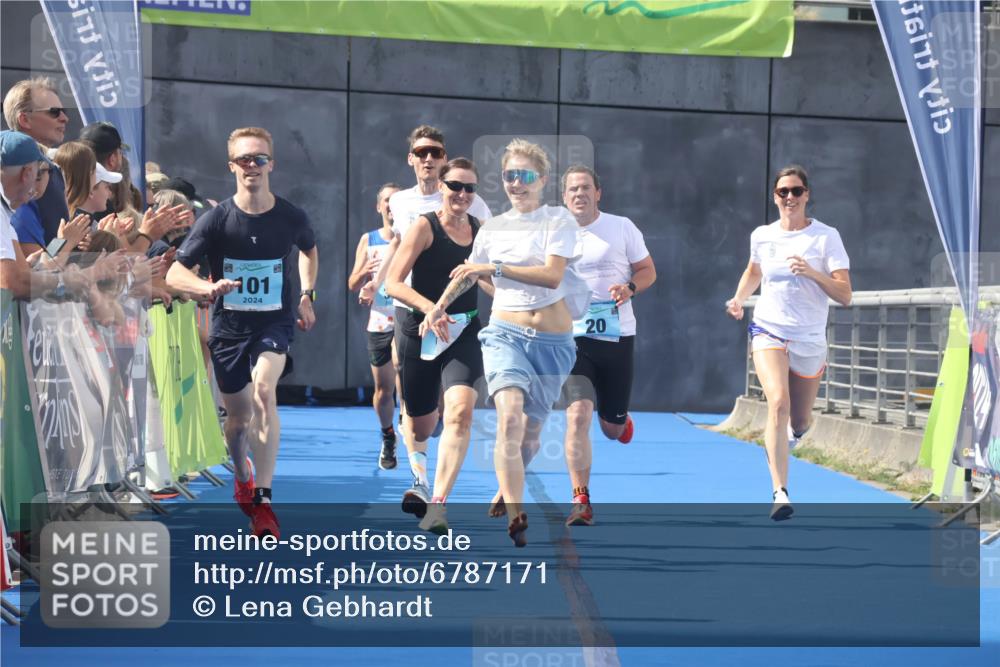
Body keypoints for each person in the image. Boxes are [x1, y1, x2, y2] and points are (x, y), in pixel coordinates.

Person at [429, 139, 589, 546]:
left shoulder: (558, 221)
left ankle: (507, 483)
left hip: (553, 343)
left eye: (525, 175)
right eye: (509, 176)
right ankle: (517, 510)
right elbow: (468, 274)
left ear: (543, 180)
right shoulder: (494, 228)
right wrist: (438, 307)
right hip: (505, 333)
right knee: (510, 415)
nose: (516, 183)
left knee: (531, 434)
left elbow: (552, 276)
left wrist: (494, 267)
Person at [167, 126, 318, 539]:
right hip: (229, 329)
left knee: (264, 393)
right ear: (232, 166)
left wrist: (307, 294)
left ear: (272, 164)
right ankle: (242, 474)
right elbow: (177, 272)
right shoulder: (215, 220)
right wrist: (206, 288)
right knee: (237, 421)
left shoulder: (290, 216)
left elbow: (309, 249)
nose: (253, 166)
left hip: (274, 322)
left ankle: (265, 502)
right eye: (244, 160)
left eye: (260, 159)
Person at [362, 125, 492, 479]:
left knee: (459, 410)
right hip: (411, 313)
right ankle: (403, 434)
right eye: (422, 153)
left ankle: (434, 492)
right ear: (412, 159)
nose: (429, 158)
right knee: (411, 411)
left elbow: (487, 264)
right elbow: (398, 251)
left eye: (435, 152)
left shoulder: (477, 211)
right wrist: (376, 285)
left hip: (460, 320)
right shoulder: (404, 204)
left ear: (445, 159)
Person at [726, 165, 851, 521]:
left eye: (796, 191)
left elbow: (845, 294)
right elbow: (754, 271)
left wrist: (813, 272)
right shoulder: (763, 236)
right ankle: (780, 491)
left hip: (809, 338)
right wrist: (738, 299)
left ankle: (794, 434)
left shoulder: (826, 237)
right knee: (777, 402)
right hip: (769, 329)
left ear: (807, 195)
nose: (790, 198)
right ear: (775, 197)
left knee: (799, 420)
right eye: (783, 192)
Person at [385, 158, 486, 533]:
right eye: (456, 185)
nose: (462, 194)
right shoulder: (423, 227)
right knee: (423, 425)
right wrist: (431, 309)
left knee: (461, 413)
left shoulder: (481, 231)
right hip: (421, 332)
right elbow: (393, 283)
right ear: (441, 186)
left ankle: (438, 502)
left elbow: (490, 281)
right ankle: (420, 476)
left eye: (469, 188)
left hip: (464, 333)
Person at [560, 165, 657, 526]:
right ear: (565, 197)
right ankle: (580, 500)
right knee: (577, 414)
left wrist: (629, 289)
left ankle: (620, 420)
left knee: (610, 430)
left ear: (598, 193)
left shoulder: (621, 227)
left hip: (616, 337)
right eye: (572, 189)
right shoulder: (556, 234)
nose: (579, 194)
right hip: (573, 339)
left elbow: (648, 270)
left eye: (585, 187)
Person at [348, 182, 402, 471]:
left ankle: (409, 414)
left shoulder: (414, 236)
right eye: (387, 201)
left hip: (408, 318)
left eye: (397, 200)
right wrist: (365, 274)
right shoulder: (369, 240)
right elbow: (352, 282)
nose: (392, 206)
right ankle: (387, 434)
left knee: (401, 364)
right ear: (379, 207)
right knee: (383, 389)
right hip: (379, 320)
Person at [2, 77, 71, 245]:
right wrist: (66, 243)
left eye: (64, 111)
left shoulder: (49, 168)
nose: (64, 118)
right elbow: (33, 260)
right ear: (25, 119)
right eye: (54, 111)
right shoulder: (21, 176)